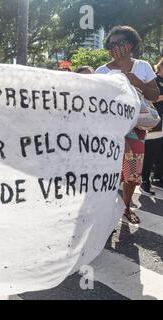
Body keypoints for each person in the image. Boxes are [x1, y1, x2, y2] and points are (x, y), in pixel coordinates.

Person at [96, 26, 159, 224]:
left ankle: (125, 206)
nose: (115, 47)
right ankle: (106, 211)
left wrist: (136, 81)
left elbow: (155, 95)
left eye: (120, 42)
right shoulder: (102, 71)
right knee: (108, 170)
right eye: (112, 44)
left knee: (131, 172)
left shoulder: (143, 67)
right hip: (108, 130)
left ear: (130, 44)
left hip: (135, 129)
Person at [144, 58, 163, 192]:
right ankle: (144, 179)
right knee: (150, 151)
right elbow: (150, 97)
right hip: (154, 121)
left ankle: (157, 177)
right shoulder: (153, 80)